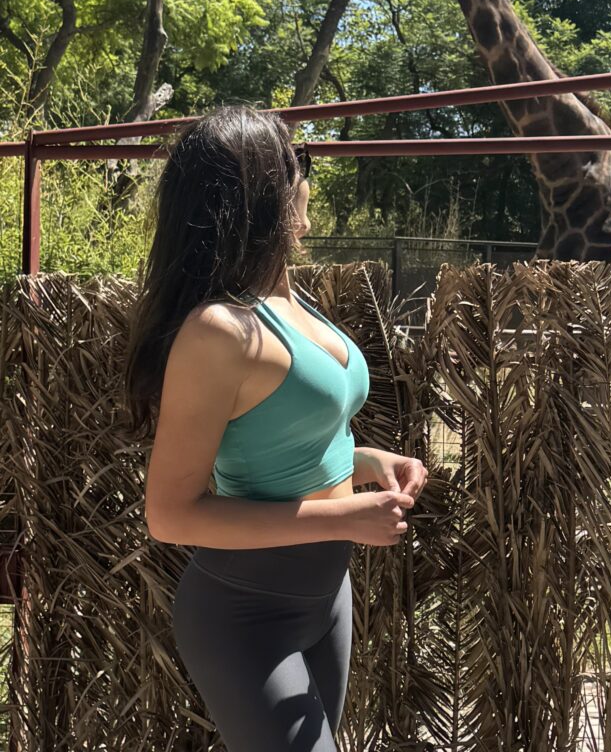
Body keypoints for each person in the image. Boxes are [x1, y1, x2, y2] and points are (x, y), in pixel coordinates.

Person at [122, 104, 428, 751]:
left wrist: (366, 462)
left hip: (326, 600)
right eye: (297, 163)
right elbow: (169, 516)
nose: (306, 177)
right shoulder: (219, 331)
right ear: (263, 190)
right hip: (244, 614)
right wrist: (346, 519)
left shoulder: (289, 304)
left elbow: (286, 434)